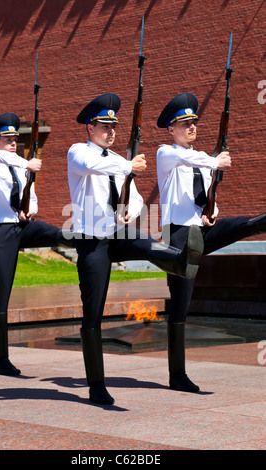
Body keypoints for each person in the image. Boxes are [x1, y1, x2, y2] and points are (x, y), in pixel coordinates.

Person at [67, 93, 205, 405]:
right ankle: (96, 384)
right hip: (91, 241)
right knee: (93, 312)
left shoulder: (119, 162)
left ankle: (182, 261)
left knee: (148, 243)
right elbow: (93, 165)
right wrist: (128, 164)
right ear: (90, 128)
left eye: (113, 126)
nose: (110, 131)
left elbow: (137, 197)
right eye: (104, 126)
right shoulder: (78, 152)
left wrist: (133, 209)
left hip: (116, 232)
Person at [156, 92, 266, 393]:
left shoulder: (203, 162)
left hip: (199, 230)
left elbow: (204, 201)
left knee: (243, 225)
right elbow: (187, 157)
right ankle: (177, 374)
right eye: (184, 123)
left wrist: (211, 212)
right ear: (171, 129)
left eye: (193, 122)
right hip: (177, 236)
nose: (191, 127)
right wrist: (215, 160)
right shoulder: (166, 154)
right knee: (180, 306)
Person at [0, 113, 73, 376]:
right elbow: (2, 158)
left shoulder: (21, 166)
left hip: (22, 226)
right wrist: (28, 162)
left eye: (14, 139)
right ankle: (1, 359)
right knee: (1, 291)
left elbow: (30, 195)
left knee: (59, 233)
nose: (12, 143)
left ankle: (94, 243)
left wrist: (28, 211)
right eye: (7, 139)